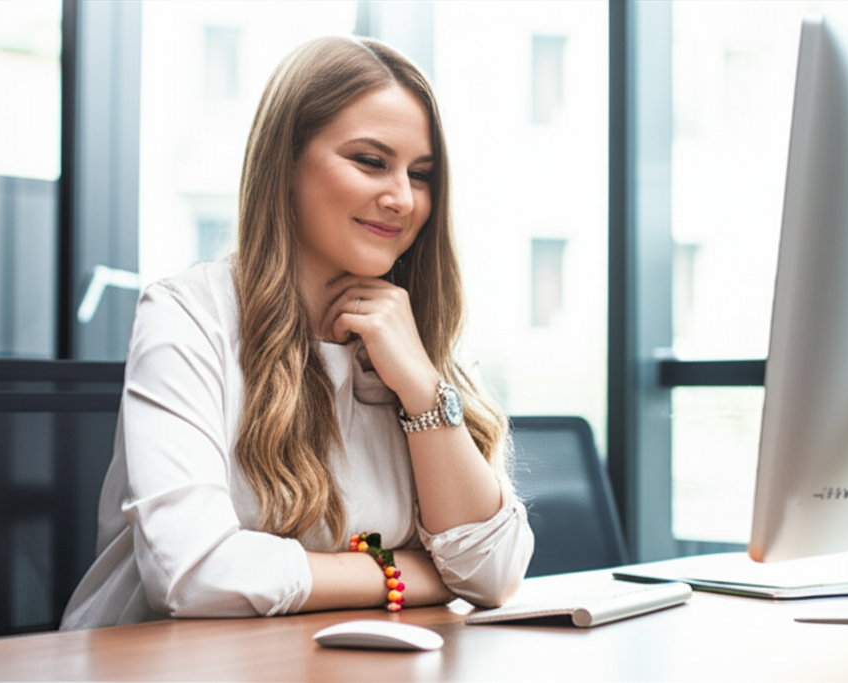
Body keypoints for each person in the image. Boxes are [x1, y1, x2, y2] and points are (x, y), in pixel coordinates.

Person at [60, 35, 534, 630]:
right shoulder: (188, 315)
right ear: (285, 162)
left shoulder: (406, 335)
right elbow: (193, 572)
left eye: (421, 174)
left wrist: (420, 386)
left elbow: (493, 573)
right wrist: (409, 574)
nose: (401, 198)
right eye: (370, 161)